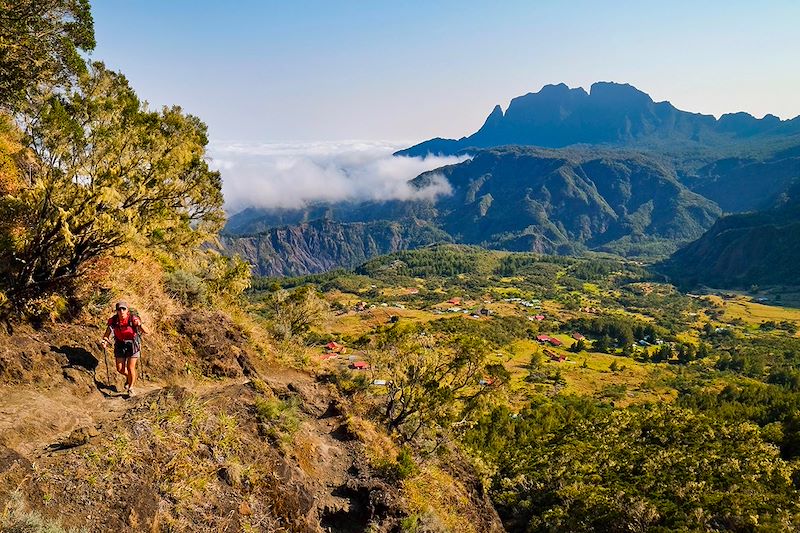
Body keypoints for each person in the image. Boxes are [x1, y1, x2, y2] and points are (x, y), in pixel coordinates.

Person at [101, 301, 147, 396]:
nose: (121, 311)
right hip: (120, 344)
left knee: (131, 368)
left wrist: (140, 324)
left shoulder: (133, 319)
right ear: (116, 311)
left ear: (127, 310)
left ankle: (131, 388)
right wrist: (105, 341)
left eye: (123, 309)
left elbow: (147, 331)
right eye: (119, 309)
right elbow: (106, 335)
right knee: (120, 369)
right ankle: (130, 377)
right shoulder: (113, 321)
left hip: (133, 344)